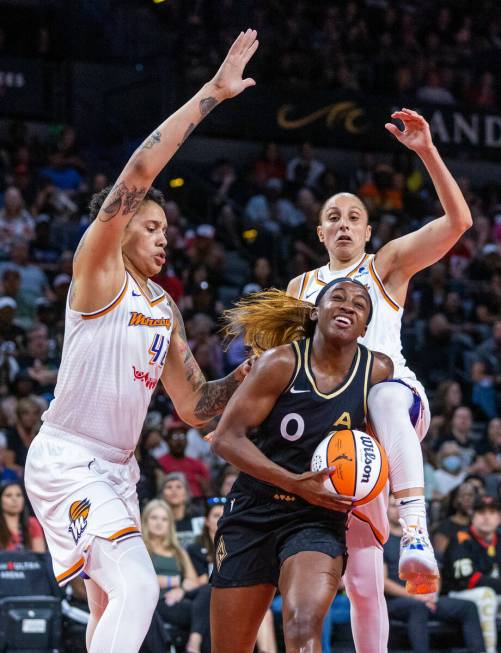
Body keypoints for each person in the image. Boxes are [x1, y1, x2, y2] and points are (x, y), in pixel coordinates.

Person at [24, 30, 259, 653]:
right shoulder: (98, 272)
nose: (163, 237)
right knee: (139, 586)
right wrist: (211, 94)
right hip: (70, 458)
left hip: (119, 471)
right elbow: (140, 170)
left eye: (166, 229)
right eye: (150, 225)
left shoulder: (165, 309)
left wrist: (251, 372)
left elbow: (195, 407)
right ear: (121, 227)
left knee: (111, 606)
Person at [287, 109, 472, 652]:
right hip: (340, 436)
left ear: (368, 232)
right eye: (333, 217)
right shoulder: (299, 286)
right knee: (364, 584)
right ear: (320, 232)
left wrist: (427, 153)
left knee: (386, 393)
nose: (344, 223)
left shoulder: (384, 265)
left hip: (397, 407)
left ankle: (416, 527)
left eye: (354, 217)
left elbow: (458, 223)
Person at [210, 278, 393, 653]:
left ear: (365, 327)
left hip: (315, 519)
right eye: (338, 298)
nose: (348, 306)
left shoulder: (377, 371)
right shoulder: (281, 362)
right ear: (316, 312)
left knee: (303, 623)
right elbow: (226, 438)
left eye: (359, 305)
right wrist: (294, 481)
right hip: (253, 511)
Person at [384, 496, 485, 653]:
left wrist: (432, 595)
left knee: (468, 607)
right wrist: (415, 596)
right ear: (385, 508)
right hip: (396, 601)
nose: (398, 510)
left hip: (425, 598)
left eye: (402, 506)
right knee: (418, 607)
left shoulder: (420, 537)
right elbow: (382, 582)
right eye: (393, 506)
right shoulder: (381, 540)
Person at [442, 495, 501, 653]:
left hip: (494, 592)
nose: (487, 517)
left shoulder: (499, 539)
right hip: (458, 593)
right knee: (486, 595)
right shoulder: (461, 539)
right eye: (481, 512)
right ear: (473, 516)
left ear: (499, 517)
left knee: (488, 594)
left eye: (492, 512)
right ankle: (489, 650)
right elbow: (469, 580)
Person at [0, 481, 45, 552]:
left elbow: (40, 557)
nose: (14, 499)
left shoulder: (32, 523)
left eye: (18, 495)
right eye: (8, 495)